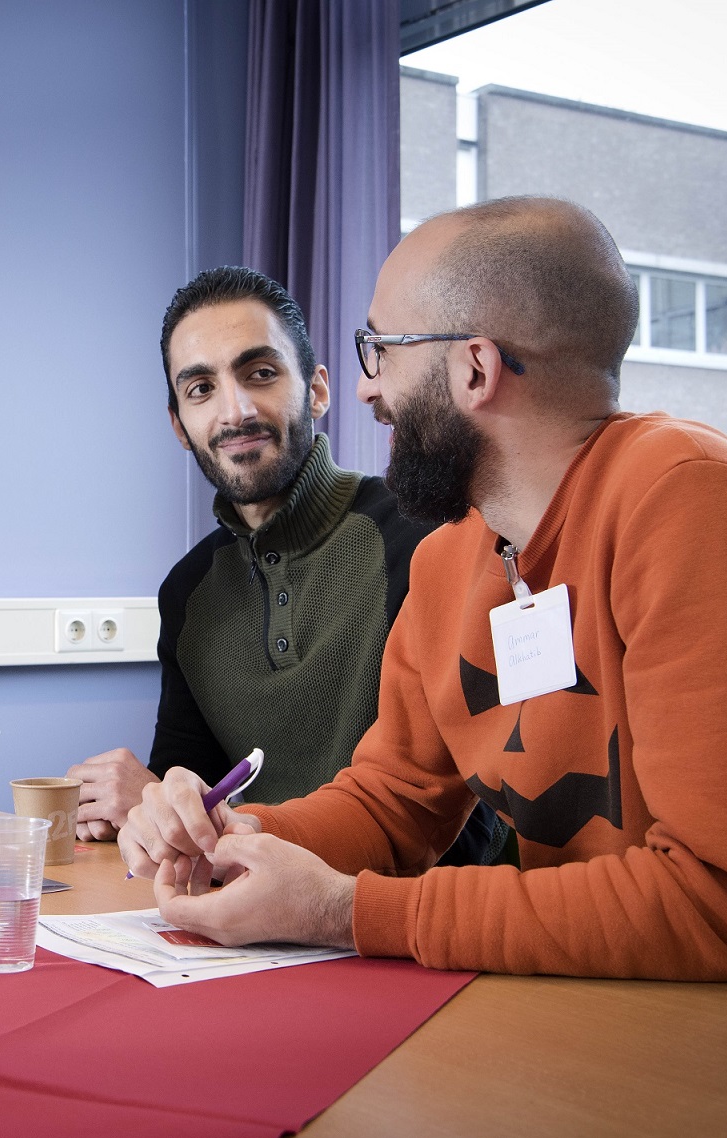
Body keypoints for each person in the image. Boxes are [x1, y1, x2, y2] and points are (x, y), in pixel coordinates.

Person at [120, 198, 727, 1023]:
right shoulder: (451, 555)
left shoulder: (695, 504)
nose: (368, 389)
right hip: (612, 1015)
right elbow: (391, 799)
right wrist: (233, 832)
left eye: (379, 350)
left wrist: (344, 911)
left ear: (473, 368)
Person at [70, 267, 504, 867]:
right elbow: (187, 784)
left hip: (416, 924)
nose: (236, 410)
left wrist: (240, 845)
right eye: (200, 389)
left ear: (318, 390)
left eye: (261, 373)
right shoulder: (187, 592)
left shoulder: (433, 538)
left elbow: (471, 825)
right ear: (179, 426)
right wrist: (153, 805)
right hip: (256, 920)